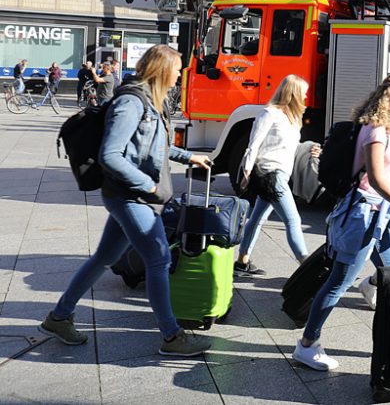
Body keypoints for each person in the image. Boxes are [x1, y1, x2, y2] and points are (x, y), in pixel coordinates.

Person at [39, 45, 213, 355]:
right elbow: (110, 156)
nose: (179, 75)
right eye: (177, 69)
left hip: (129, 195)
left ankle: (59, 316)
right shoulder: (131, 102)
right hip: (129, 196)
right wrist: (147, 186)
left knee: (103, 258)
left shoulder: (151, 102)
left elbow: (153, 146)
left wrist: (189, 157)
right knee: (159, 259)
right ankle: (172, 337)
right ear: (161, 70)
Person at [294, 73, 390, 371]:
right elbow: (378, 181)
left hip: (381, 214)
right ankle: (307, 344)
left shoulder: (387, 127)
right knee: (338, 283)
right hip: (363, 214)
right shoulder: (375, 130)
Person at [234, 75, 312, 276]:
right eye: (303, 92)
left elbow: (290, 147)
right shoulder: (269, 113)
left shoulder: (292, 118)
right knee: (293, 220)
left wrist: (311, 149)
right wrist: (247, 173)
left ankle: (242, 261)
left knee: (257, 218)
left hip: (280, 174)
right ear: (293, 93)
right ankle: (307, 266)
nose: (306, 95)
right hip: (270, 174)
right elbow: (254, 143)